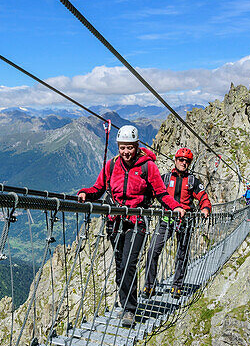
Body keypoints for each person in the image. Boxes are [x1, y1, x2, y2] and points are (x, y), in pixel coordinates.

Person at [78, 125, 183, 327]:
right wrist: (85, 193)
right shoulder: (111, 166)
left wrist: (175, 207)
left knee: (128, 264)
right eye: (122, 148)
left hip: (137, 220)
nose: (126, 152)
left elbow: (161, 193)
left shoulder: (147, 167)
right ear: (118, 147)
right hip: (115, 221)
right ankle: (124, 302)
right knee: (120, 265)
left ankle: (129, 309)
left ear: (136, 146)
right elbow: (99, 188)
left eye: (129, 148)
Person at [141, 147, 211, 298]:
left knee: (182, 254)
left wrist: (205, 208)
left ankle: (177, 285)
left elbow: (203, 196)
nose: (183, 163)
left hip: (185, 221)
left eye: (186, 161)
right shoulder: (165, 179)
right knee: (153, 250)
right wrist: (142, 205)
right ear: (175, 160)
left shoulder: (193, 181)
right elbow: (153, 193)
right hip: (166, 220)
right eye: (181, 160)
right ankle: (149, 285)